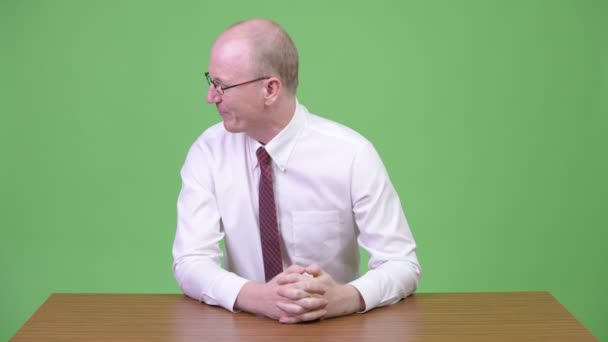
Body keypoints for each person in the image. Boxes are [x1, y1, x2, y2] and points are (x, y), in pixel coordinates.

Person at [172, 18, 421, 323]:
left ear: (270, 89)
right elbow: (190, 260)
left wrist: (346, 298)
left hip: (334, 329)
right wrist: (258, 297)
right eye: (212, 82)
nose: (211, 96)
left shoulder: (352, 154)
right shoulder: (208, 152)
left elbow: (402, 263)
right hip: (245, 327)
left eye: (222, 85)